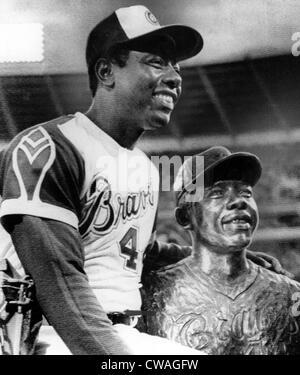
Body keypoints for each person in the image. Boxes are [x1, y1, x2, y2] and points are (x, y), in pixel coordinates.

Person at [0, 6, 287, 355]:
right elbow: (59, 280)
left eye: (176, 67)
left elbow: (138, 251)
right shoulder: (49, 147)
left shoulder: (143, 167)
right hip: (44, 335)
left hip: (114, 333)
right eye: (156, 62)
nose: (175, 77)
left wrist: (217, 255)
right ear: (106, 71)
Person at [142, 146, 300, 355]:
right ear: (184, 217)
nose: (239, 201)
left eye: (246, 192)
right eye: (216, 193)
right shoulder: (152, 295)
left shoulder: (291, 295)